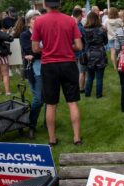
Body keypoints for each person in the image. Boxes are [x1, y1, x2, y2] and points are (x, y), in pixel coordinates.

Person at [31, 0, 83, 146]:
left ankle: (52, 139)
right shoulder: (70, 20)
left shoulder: (39, 21)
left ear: (45, 4)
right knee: (72, 102)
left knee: (51, 104)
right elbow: (79, 45)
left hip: (49, 66)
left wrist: (48, 49)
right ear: (59, 4)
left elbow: (35, 48)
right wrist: (65, 47)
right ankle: (77, 137)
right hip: (68, 64)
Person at [20, 10, 43, 139]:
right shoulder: (24, 35)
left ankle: (47, 124)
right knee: (38, 99)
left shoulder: (44, 33)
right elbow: (29, 50)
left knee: (49, 99)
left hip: (47, 67)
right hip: (34, 70)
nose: (38, 21)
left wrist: (36, 53)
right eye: (34, 19)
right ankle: (31, 125)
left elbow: (36, 52)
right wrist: (37, 53)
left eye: (39, 19)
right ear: (29, 22)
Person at [84, 12, 108, 98]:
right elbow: (106, 42)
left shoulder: (84, 30)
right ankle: (98, 95)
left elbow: (83, 43)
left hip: (89, 54)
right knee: (99, 77)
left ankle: (87, 93)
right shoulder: (102, 29)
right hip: (100, 53)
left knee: (90, 76)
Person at [72, 7, 87, 94]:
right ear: (80, 15)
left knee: (76, 71)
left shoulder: (70, 24)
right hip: (80, 52)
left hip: (73, 51)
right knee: (82, 72)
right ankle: (81, 88)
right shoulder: (78, 26)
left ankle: (77, 86)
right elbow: (83, 40)